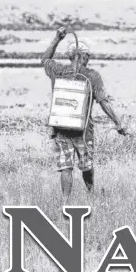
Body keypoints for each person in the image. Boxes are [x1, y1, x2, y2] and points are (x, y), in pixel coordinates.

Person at [41, 26, 127, 201]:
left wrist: (57, 38)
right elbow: (104, 102)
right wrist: (118, 124)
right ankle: (91, 195)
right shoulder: (92, 76)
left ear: (70, 56)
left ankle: (65, 201)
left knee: (66, 168)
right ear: (85, 56)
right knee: (87, 165)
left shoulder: (58, 71)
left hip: (60, 129)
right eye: (88, 56)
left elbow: (44, 59)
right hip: (83, 130)